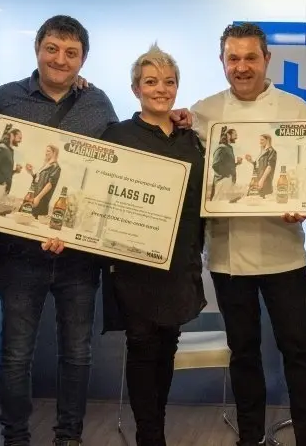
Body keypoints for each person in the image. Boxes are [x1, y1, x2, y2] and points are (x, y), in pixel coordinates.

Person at [191, 22, 306, 446]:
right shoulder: (202, 114)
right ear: (222, 62)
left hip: (285, 255)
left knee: (298, 352)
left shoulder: (297, 110)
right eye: (234, 58)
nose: (242, 67)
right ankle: (250, 437)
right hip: (229, 258)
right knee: (243, 354)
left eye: (251, 57)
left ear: (268, 59)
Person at [0, 15, 118, 446]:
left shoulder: (98, 103)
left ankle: (70, 437)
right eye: (52, 48)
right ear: (37, 49)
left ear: (83, 59)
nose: (60, 59)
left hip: (78, 257)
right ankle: (15, 437)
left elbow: (113, 167)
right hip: (18, 251)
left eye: (71, 52)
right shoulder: (4, 98)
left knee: (77, 354)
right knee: (15, 354)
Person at [99, 43, 207, 446]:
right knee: (142, 346)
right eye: (150, 82)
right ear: (135, 89)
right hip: (134, 266)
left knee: (167, 346)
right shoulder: (117, 136)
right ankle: (150, 435)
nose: (161, 89)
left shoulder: (191, 140)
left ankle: (155, 424)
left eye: (169, 81)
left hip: (181, 262)